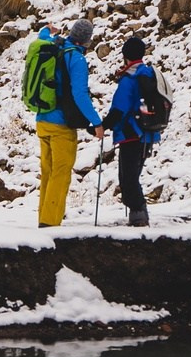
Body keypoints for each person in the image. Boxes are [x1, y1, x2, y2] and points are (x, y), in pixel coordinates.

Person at [23, 18, 103, 228]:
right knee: (60, 174)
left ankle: (44, 217)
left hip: (42, 120)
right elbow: (80, 94)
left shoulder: (52, 46)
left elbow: (42, 36)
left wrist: (47, 30)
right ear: (86, 41)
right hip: (61, 126)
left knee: (47, 172)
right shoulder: (76, 59)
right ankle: (50, 223)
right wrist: (96, 122)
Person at [104, 34, 167, 226]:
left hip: (131, 134)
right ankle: (138, 215)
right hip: (148, 133)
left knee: (127, 177)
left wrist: (102, 126)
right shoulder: (148, 74)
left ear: (126, 56)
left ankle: (138, 215)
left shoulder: (129, 79)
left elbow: (119, 109)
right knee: (133, 175)